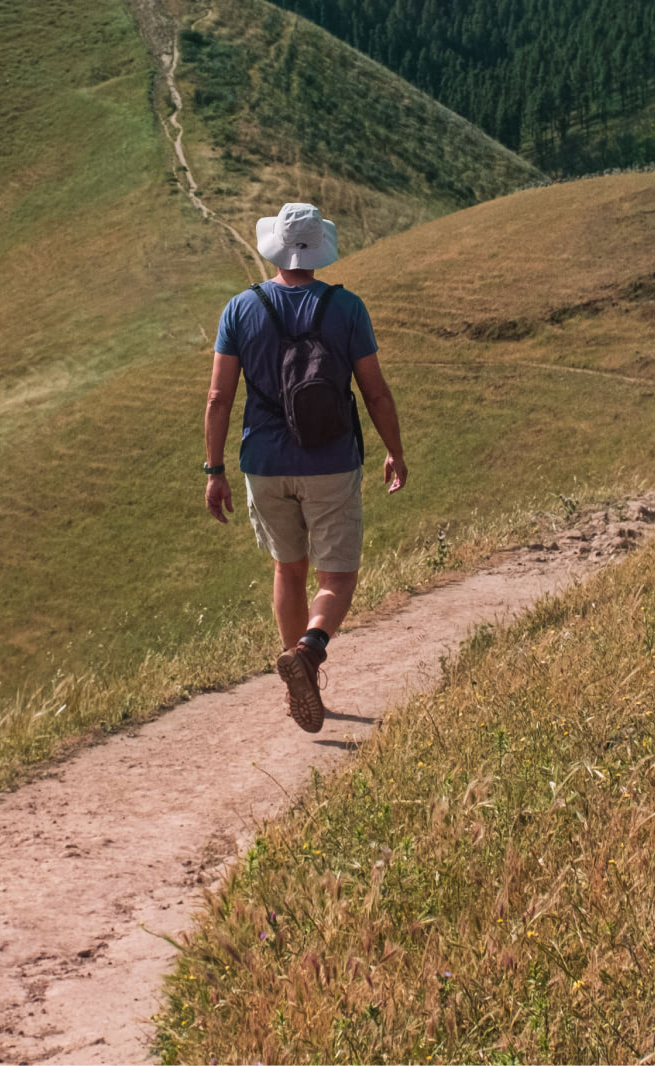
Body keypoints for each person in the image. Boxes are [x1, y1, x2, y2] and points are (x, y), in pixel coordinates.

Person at [203, 203, 407, 733]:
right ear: (318, 250)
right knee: (337, 575)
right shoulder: (347, 309)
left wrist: (213, 469)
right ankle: (311, 652)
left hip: (264, 463)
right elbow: (375, 391)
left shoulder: (240, 309)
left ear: (275, 247)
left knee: (288, 570)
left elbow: (219, 397)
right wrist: (395, 451)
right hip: (332, 461)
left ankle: (302, 686)